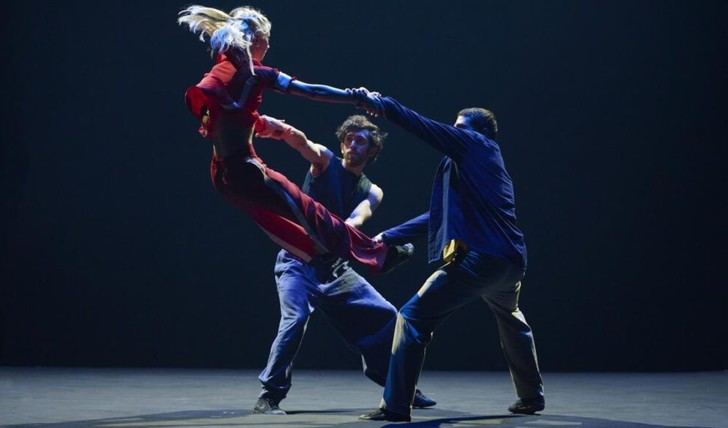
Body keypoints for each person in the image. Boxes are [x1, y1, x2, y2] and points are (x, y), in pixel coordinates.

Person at [348, 90, 545, 422]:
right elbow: (436, 217)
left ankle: (396, 405)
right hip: (510, 262)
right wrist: (387, 236)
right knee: (512, 319)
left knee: (412, 317)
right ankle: (531, 396)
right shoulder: (480, 168)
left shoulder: (477, 146)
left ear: (477, 132)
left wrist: (383, 105)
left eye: (460, 127)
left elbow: (424, 127)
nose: (454, 132)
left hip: (483, 260)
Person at [177, 6, 411, 273]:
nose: (268, 46)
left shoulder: (223, 70)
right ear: (256, 39)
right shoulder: (256, 73)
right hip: (245, 169)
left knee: (273, 220)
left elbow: (225, 115)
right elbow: (311, 91)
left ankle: (318, 258)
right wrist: (355, 96)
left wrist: (260, 122)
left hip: (221, 174)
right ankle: (378, 255)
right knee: (310, 212)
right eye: (267, 39)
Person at [251, 115, 436, 414]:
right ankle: (270, 394)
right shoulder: (325, 161)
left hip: (334, 267)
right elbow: (302, 141)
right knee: (295, 319)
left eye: (360, 140)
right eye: (348, 138)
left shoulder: (372, 190)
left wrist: (344, 235)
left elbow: (356, 220)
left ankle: (396, 385)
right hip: (297, 261)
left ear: (372, 151)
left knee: (387, 315)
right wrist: (276, 128)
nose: (352, 144)